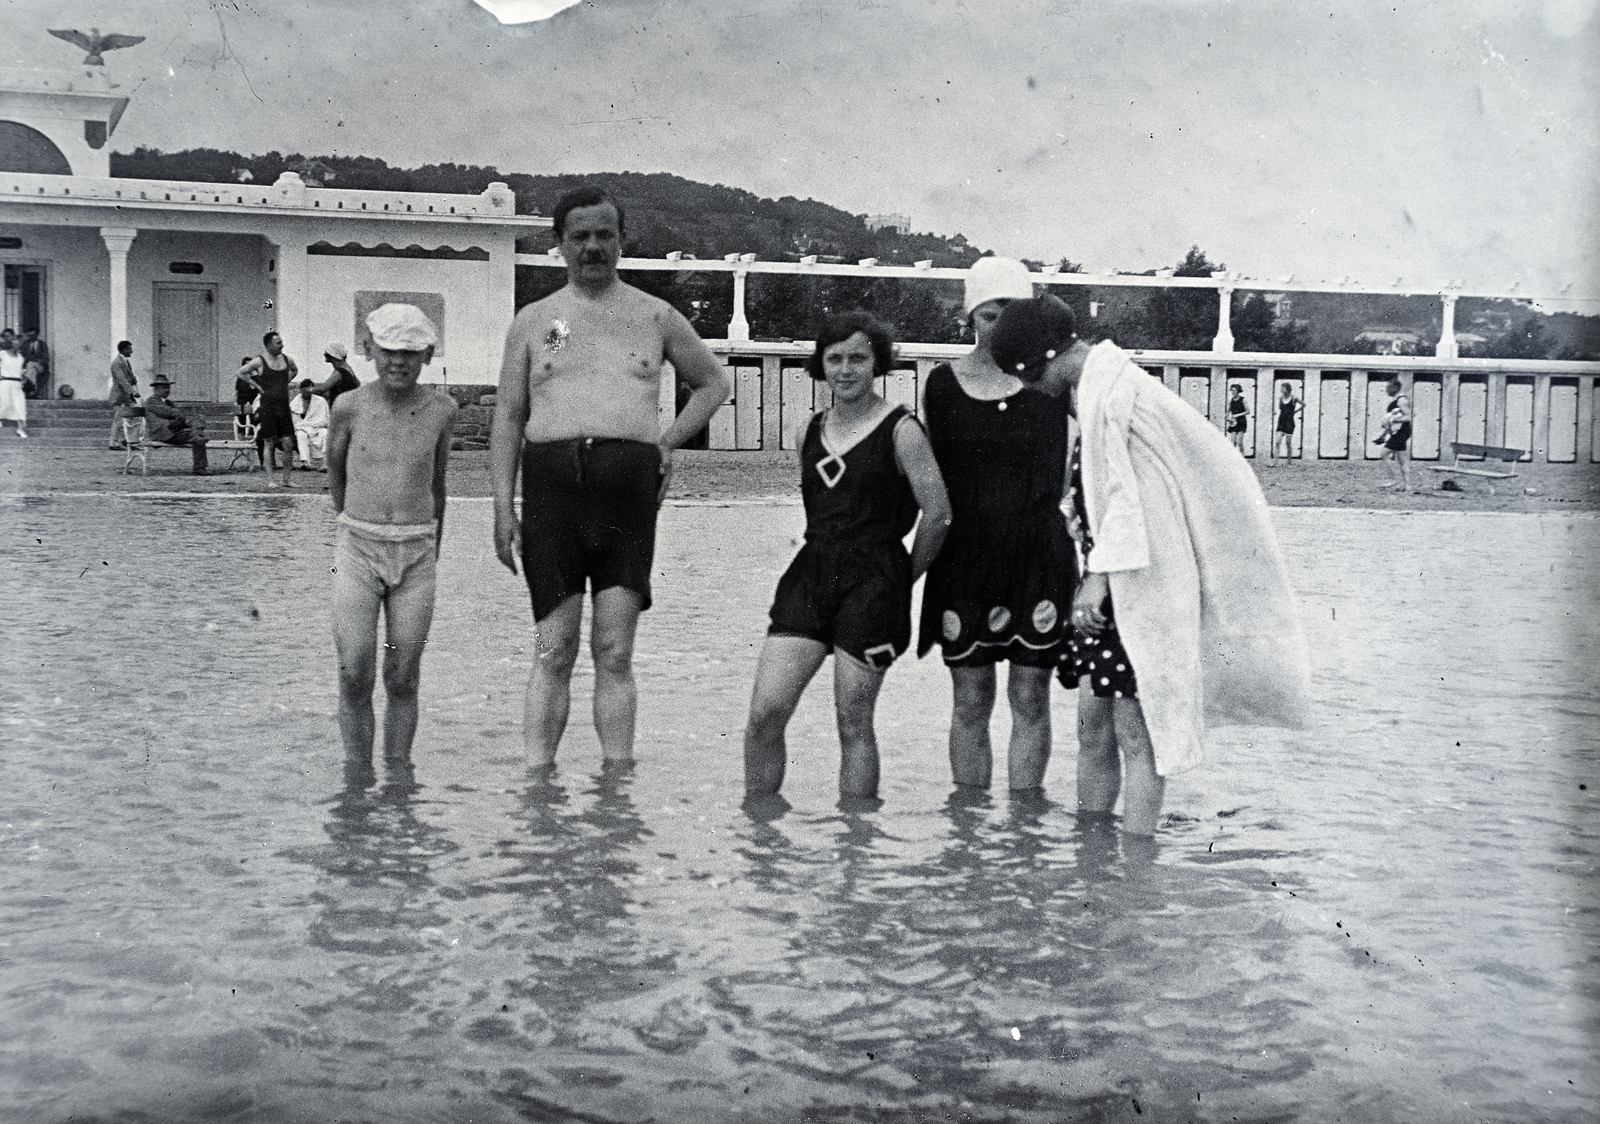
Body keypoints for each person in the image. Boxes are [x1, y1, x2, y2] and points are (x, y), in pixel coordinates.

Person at [991, 296, 1310, 836]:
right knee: (1093, 730)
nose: (1028, 389)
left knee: (1137, 736)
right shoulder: (1098, 395)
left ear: (1041, 360)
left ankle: (1137, 862)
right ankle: (1093, 853)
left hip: (1133, 594)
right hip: (1110, 595)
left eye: (1027, 376)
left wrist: (1096, 579)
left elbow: (1136, 508)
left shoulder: (1119, 401)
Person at [490, 185, 731, 768]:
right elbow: (510, 415)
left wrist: (666, 443)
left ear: (621, 240)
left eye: (605, 235)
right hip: (551, 493)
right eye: (580, 236)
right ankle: (538, 783)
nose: (593, 247)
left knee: (614, 649)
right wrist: (502, 507)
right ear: (560, 245)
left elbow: (713, 384)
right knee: (553, 648)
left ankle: (616, 787)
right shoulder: (539, 321)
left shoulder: (654, 315)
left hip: (626, 497)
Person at [743, 311, 951, 801]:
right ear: (821, 364)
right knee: (764, 713)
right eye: (834, 358)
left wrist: (902, 578)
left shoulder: (903, 431)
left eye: (858, 357)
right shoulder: (807, 430)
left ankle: (855, 854)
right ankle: (759, 838)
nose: (845, 369)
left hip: (875, 580)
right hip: (810, 575)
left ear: (878, 362)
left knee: (852, 723)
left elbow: (938, 515)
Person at [917, 257, 1074, 793]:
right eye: (988, 314)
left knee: (1031, 697)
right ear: (969, 319)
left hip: (1038, 552)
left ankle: (1025, 832)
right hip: (967, 556)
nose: (999, 326)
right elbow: (928, 484)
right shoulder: (940, 385)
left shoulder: (1054, 381)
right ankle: (970, 835)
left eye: (1010, 313)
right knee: (971, 699)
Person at [325, 303, 457, 776]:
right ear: (369, 351)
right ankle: (357, 775)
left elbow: (437, 483)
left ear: (426, 355)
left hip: (417, 550)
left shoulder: (442, 410)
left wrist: (432, 548)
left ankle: (399, 776)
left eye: (410, 352)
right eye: (388, 351)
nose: (398, 361)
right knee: (354, 670)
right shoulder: (349, 406)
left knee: (402, 674)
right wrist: (355, 525)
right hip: (357, 546)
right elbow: (335, 476)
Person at [238, 331, 299, 487]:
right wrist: (258, 386)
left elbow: (295, 369)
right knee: (269, 442)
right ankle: (271, 480)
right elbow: (241, 373)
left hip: (283, 405)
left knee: (288, 443)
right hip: (268, 406)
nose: (282, 345)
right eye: (278, 343)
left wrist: (284, 383)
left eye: (281, 341)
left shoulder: (286, 359)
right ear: (268, 345)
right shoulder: (259, 361)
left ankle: (286, 479)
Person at [142, 375, 209, 475]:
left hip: (172, 431)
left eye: (168, 387)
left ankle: (199, 466)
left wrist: (187, 421)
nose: (167, 390)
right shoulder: (152, 400)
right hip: (162, 434)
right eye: (164, 388)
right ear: (156, 389)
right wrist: (179, 416)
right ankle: (199, 467)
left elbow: (179, 416)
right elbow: (166, 412)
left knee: (197, 427)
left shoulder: (168, 402)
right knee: (196, 436)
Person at [1375, 377, 1413, 492]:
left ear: (1395, 388)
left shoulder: (1402, 400)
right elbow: (1389, 420)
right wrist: (1383, 435)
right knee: (1402, 459)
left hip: (1401, 432)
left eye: (1388, 388)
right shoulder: (1396, 400)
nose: (1386, 390)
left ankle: (1391, 479)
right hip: (1397, 432)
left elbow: (1408, 417)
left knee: (1384, 454)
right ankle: (1407, 485)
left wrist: (1394, 420)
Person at [290, 377, 331, 470]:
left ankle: (326, 463)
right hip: (302, 428)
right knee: (301, 434)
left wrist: (316, 425)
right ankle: (305, 462)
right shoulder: (295, 402)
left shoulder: (320, 401)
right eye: (305, 391)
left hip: (318, 427)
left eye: (309, 390)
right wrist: (303, 426)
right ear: (301, 390)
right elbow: (295, 420)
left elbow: (325, 418)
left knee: (325, 433)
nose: (307, 393)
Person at [107, 340, 139, 449]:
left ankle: (130, 441)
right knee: (119, 420)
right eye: (130, 349)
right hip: (119, 397)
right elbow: (122, 380)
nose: (132, 351)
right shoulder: (117, 363)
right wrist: (133, 391)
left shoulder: (124, 361)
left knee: (134, 416)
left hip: (126, 397)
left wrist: (133, 379)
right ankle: (114, 443)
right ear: (124, 349)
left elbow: (127, 376)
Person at [315, 342, 362, 409]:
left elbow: (321, 389)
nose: (324, 354)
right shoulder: (348, 368)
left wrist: (308, 390)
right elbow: (358, 384)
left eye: (327, 353)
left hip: (339, 410)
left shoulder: (338, 373)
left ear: (332, 355)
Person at [0, 334, 28, 438]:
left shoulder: (20, 357)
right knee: (5, 404)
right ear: (10, 343)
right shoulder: (2, 354)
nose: (18, 344)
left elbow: (21, 370)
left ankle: (21, 429)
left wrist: (24, 376)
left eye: (18, 343)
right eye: (15, 342)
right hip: (5, 383)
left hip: (17, 384)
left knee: (20, 407)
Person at [1270, 381, 1302, 463]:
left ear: (1287, 389)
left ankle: (1289, 462)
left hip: (1289, 422)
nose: (1281, 390)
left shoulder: (1294, 398)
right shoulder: (1281, 398)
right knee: (1277, 442)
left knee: (1288, 443)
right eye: (1281, 388)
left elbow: (1304, 404)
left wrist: (1295, 411)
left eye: (1283, 388)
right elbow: (1280, 408)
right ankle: (1275, 461)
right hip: (1281, 421)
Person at [20, 330, 49, 400]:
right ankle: (33, 392)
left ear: (37, 335)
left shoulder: (42, 344)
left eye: (33, 335)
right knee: (32, 368)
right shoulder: (25, 343)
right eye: (30, 336)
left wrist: (38, 361)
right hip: (28, 366)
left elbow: (46, 358)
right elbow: (22, 355)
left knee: (31, 365)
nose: (31, 337)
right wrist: (30, 360)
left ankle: (28, 387)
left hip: (40, 366)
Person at [1226, 383, 1250, 453]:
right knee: (1233, 442)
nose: (1232, 392)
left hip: (1241, 422)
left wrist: (1237, 415)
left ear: (1238, 391)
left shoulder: (1243, 399)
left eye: (1234, 390)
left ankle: (1242, 456)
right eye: (1231, 390)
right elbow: (1228, 411)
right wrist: (1227, 416)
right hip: (1233, 422)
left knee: (1240, 442)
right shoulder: (1231, 400)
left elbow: (1248, 411)